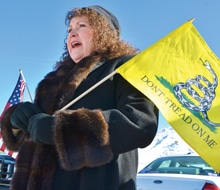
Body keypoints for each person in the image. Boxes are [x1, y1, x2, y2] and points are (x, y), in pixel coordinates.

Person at [0, 5, 158, 190]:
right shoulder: (51, 81)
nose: (72, 33)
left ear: (103, 32)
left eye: (81, 25)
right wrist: (17, 120)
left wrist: (59, 130)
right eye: (69, 30)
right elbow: (35, 133)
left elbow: (140, 124)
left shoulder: (125, 67)